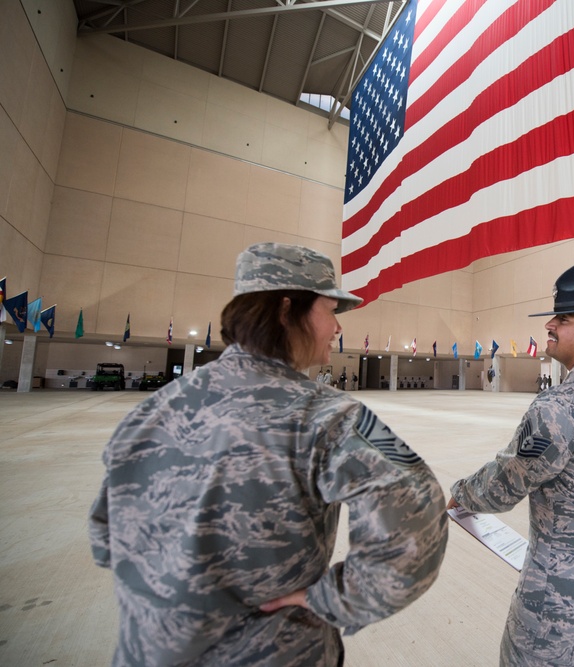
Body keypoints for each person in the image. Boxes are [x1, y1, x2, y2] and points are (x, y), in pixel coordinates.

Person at [88, 242, 448, 666]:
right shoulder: (324, 417)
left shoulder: (150, 411)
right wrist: (330, 600)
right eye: (330, 311)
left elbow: (104, 540)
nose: (337, 329)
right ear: (284, 311)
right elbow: (414, 533)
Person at [448, 262, 574, 666]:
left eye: (562, 318)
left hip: (565, 600)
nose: (550, 325)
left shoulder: (560, 406)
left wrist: (460, 494)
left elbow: (504, 484)